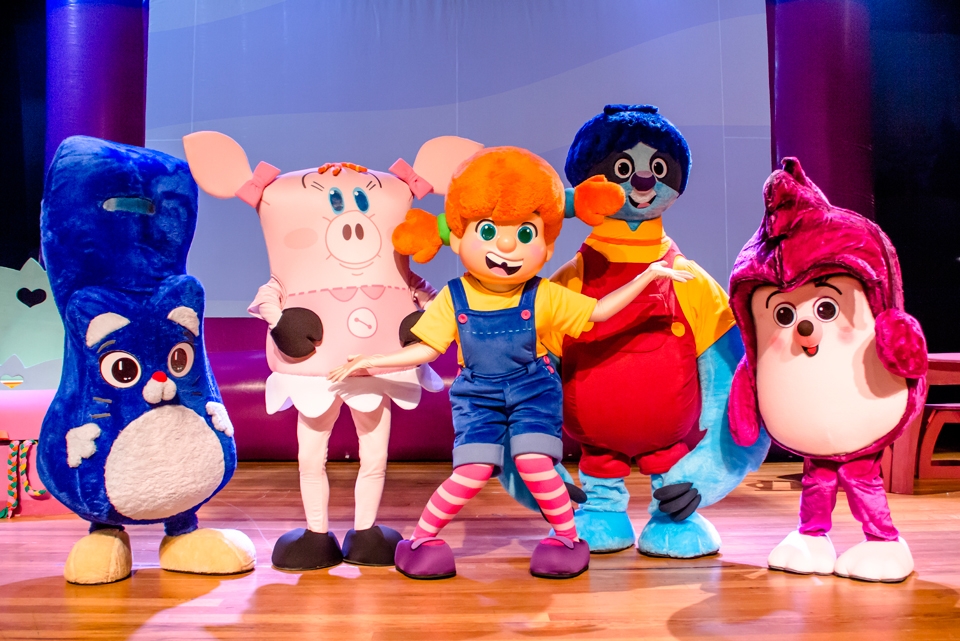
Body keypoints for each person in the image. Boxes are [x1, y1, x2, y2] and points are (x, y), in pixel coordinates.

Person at [329, 146, 692, 579]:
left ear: (546, 242)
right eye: (488, 230)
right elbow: (427, 348)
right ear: (458, 237)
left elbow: (598, 312)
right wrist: (375, 361)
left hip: (532, 388)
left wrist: (647, 275)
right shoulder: (454, 296)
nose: (505, 245)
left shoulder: (543, 294)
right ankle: (422, 540)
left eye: (524, 233)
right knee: (472, 470)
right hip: (476, 395)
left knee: (536, 464)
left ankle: (567, 538)